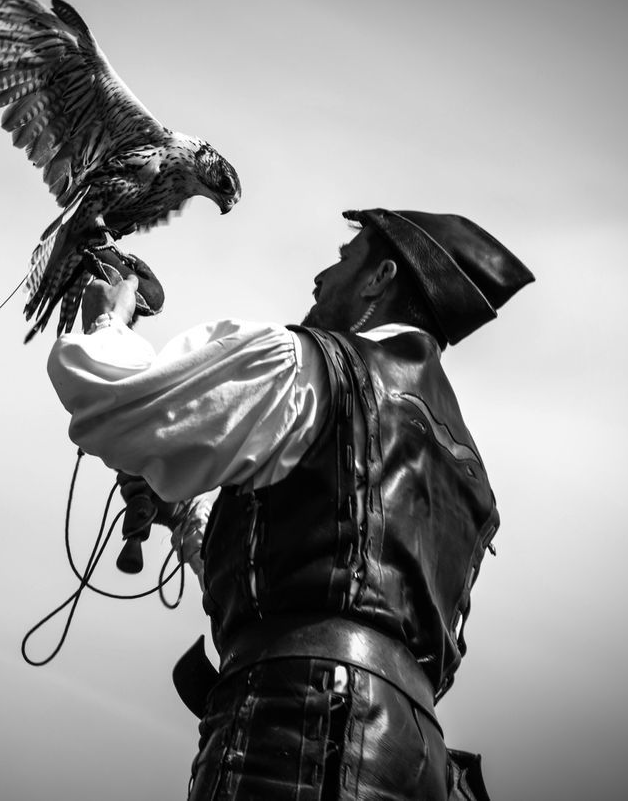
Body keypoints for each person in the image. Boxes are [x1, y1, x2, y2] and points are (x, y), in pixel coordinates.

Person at [47, 209, 533, 801]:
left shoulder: (310, 365)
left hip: (312, 730)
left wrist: (109, 323)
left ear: (379, 278)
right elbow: (323, 579)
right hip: (414, 758)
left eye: (342, 259)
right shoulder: (468, 474)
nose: (321, 279)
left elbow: (113, 402)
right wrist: (184, 516)